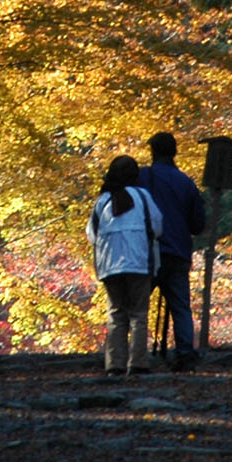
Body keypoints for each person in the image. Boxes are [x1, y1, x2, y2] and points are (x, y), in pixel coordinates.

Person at [86, 155, 161, 376]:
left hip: (110, 264)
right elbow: (157, 227)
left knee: (116, 313)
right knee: (138, 313)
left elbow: (91, 234)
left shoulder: (103, 201)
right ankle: (138, 363)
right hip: (139, 261)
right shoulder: (143, 197)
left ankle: (114, 364)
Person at [139, 131, 207, 371]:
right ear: (174, 153)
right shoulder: (186, 182)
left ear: (153, 152)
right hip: (177, 251)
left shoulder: (142, 177)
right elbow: (198, 224)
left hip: (147, 251)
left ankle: (129, 354)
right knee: (180, 305)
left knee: (136, 305)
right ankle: (185, 352)